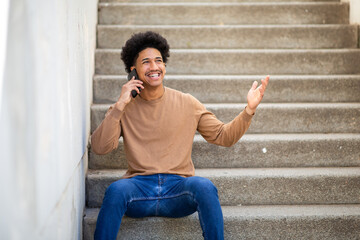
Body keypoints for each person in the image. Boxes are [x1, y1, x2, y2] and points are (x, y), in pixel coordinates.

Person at [91, 31, 269, 240]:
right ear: (134, 71)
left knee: (204, 187)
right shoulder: (123, 108)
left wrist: (248, 110)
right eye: (146, 62)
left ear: (164, 66)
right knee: (116, 190)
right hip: (139, 189)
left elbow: (224, 136)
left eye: (158, 61)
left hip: (178, 191)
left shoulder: (187, 102)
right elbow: (100, 147)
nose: (154, 67)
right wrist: (120, 105)